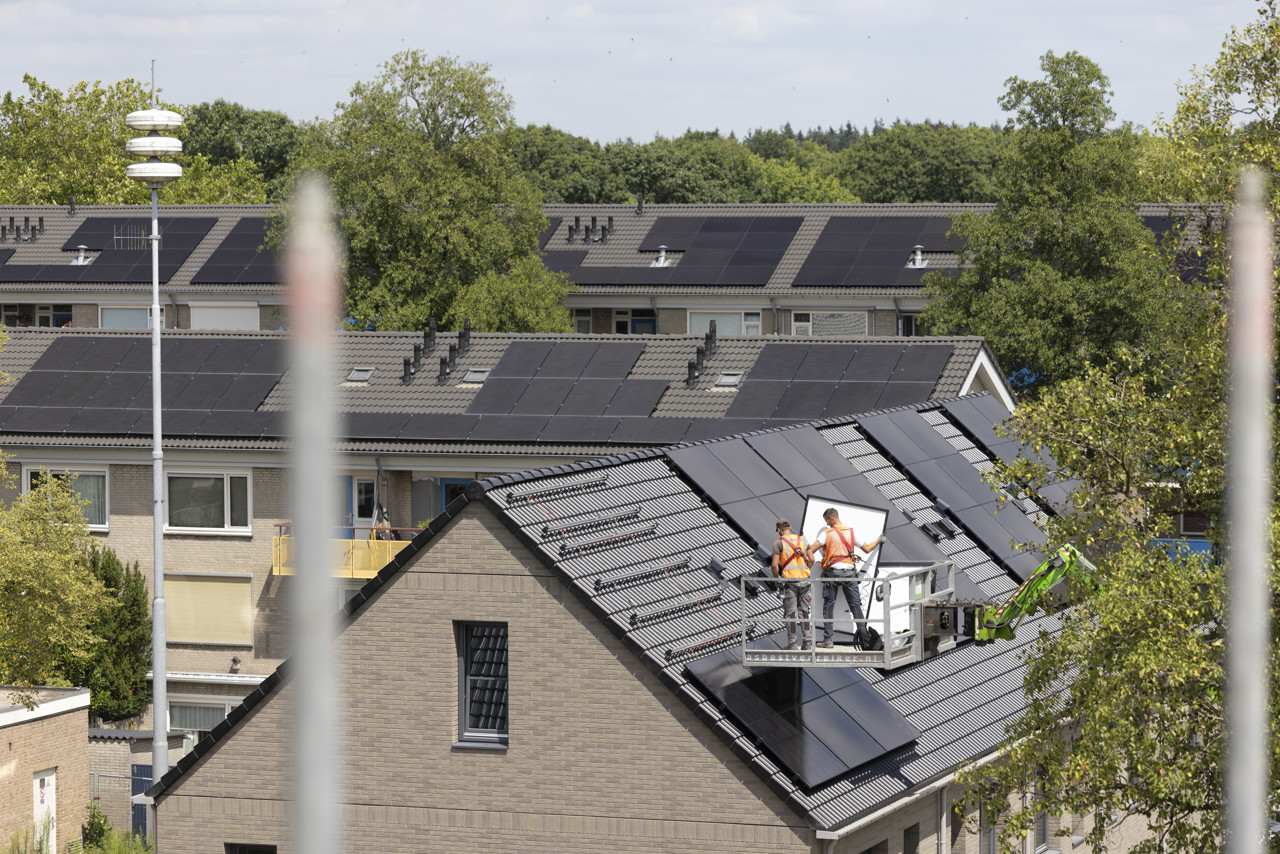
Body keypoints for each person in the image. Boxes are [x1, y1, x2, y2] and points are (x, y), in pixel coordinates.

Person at [805, 507, 885, 649]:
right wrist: (879, 539)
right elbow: (867, 549)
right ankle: (865, 640)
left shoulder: (826, 534)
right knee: (856, 606)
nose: (827, 524)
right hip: (850, 574)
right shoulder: (851, 532)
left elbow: (810, 550)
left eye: (827, 521)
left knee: (829, 606)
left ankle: (828, 639)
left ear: (831, 518)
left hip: (832, 574)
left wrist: (805, 548)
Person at [771, 518, 812, 650]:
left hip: (790, 582)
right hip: (805, 580)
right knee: (804, 611)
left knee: (791, 613)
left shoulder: (778, 543)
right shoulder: (803, 540)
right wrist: (804, 570)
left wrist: (777, 579)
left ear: (779, 530)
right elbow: (812, 559)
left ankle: (793, 643)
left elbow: (774, 565)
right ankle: (807, 642)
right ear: (790, 527)